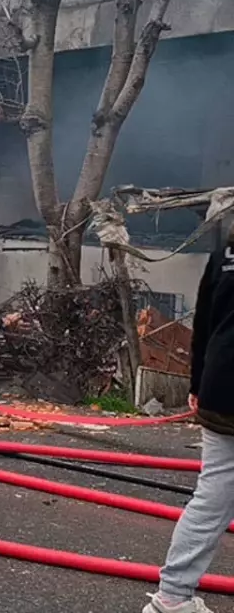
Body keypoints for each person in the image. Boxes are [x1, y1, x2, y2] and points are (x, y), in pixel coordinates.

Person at [142, 234, 234, 613]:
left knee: (211, 499)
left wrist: (196, 384)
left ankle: (172, 597)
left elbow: (205, 323)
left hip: (219, 387)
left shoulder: (224, 253)